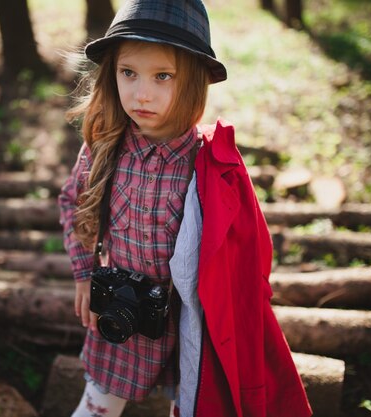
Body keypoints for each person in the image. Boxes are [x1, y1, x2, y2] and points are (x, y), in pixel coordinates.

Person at [58, 1, 312, 416]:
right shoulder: (105, 146)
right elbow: (73, 203)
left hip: (187, 322)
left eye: (163, 76)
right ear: (112, 73)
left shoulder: (210, 165)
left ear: (193, 81)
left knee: (194, 402)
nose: (142, 93)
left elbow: (248, 251)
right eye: (129, 73)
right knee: (96, 407)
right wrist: (85, 274)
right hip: (122, 310)